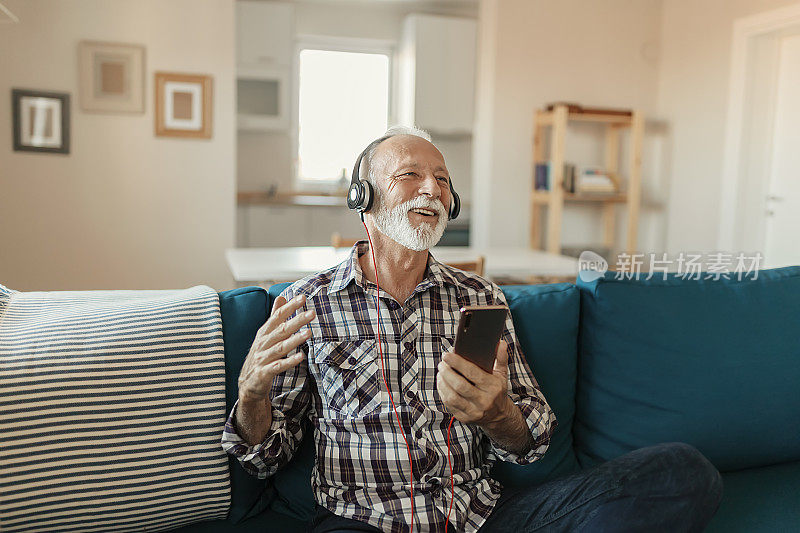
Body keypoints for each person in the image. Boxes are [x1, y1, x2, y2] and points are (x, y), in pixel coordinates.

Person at [222, 126, 723, 533]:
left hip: (484, 518)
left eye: (442, 179)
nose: (433, 189)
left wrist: (497, 413)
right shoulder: (306, 304)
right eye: (411, 175)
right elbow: (264, 460)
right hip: (361, 520)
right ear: (363, 197)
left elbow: (533, 442)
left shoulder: (480, 298)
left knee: (683, 471)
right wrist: (251, 394)